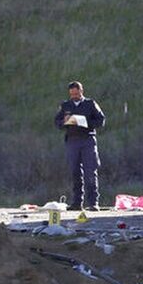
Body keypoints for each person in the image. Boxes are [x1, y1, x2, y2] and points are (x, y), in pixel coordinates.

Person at [54, 81, 106, 211]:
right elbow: (57, 122)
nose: (74, 96)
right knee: (74, 172)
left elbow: (101, 120)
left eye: (76, 93)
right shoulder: (65, 105)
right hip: (72, 140)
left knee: (90, 171)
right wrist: (64, 122)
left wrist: (86, 122)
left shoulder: (90, 104)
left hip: (87, 139)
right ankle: (77, 203)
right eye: (72, 94)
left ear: (81, 91)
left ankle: (93, 203)